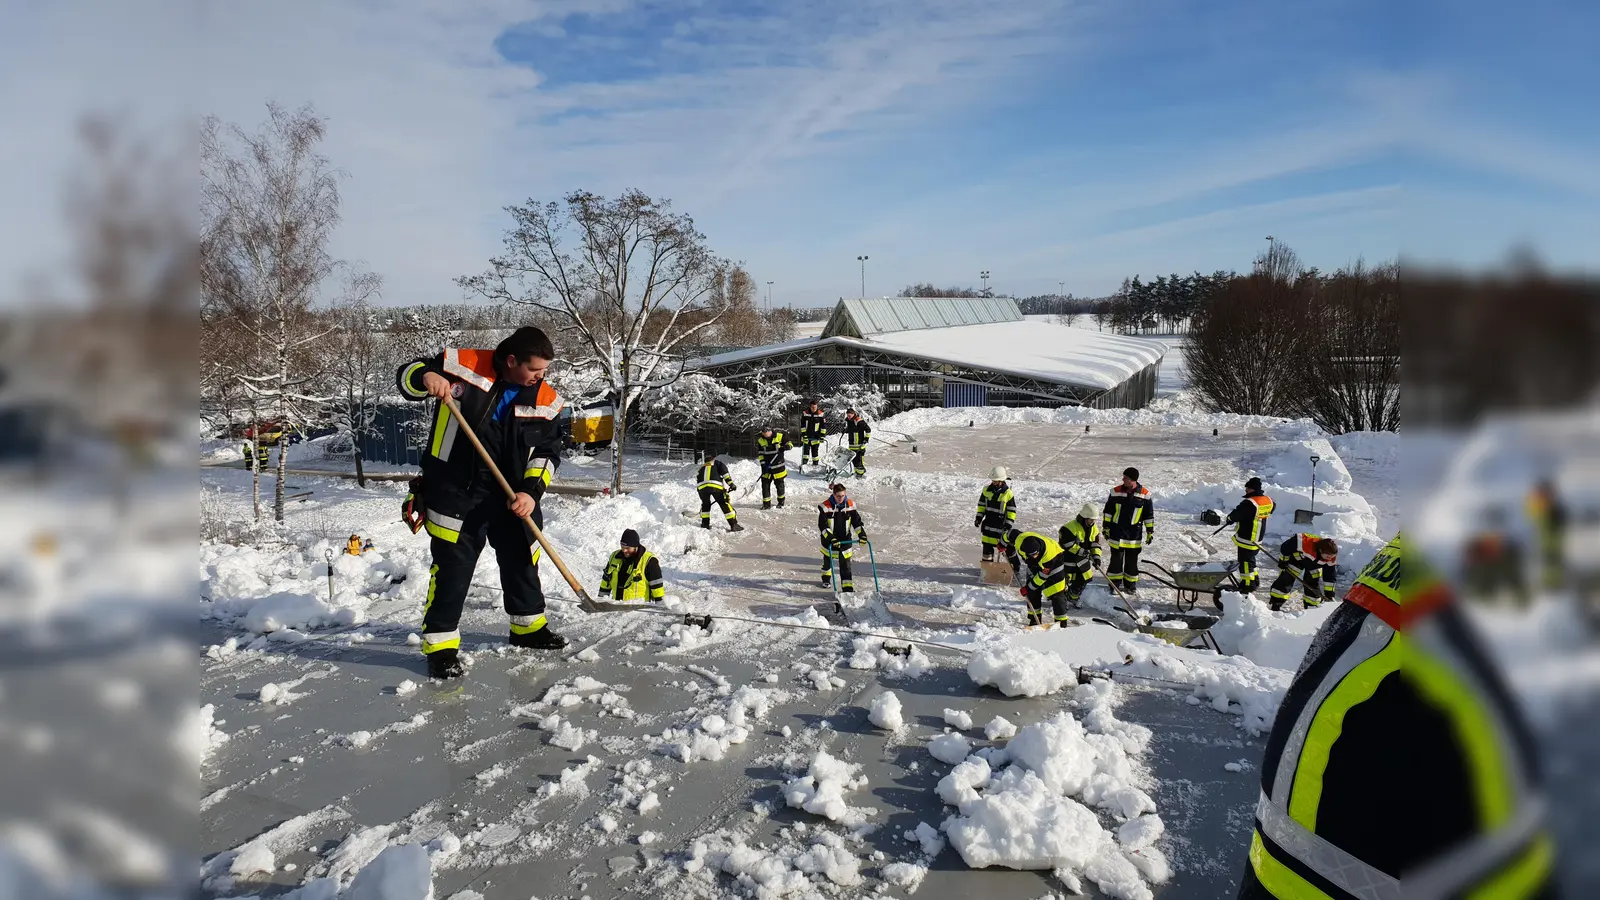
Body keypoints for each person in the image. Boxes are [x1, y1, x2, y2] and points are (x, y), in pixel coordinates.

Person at [1240, 534, 1553, 899]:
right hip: (1350, 792)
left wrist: (1319, 593)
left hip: (1306, 805)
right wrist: (1293, 568)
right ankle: (1263, 595)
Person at [395, 326, 568, 679]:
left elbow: (548, 454)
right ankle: (441, 647)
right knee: (452, 572)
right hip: (456, 492)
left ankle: (528, 629)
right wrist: (426, 375)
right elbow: (406, 377)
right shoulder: (462, 367)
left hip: (511, 497)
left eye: (543, 370)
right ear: (511, 360)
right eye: (535, 369)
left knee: (522, 562)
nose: (541, 376)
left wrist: (530, 494)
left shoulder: (546, 400)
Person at [1102, 467, 1154, 594]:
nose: (1122, 479)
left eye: (1125, 477)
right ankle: (1114, 585)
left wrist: (1149, 531)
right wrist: (1106, 527)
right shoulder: (1116, 492)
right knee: (1116, 561)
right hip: (1117, 533)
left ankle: (1130, 585)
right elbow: (1108, 512)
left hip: (1133, 536)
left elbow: (1148, 515)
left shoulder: (1145, 495)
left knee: (1132, 562)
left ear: (1132, 480)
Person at [1000, 528, 1062, 627]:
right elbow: (1009, 534)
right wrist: (1002, 544)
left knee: (1057, 592)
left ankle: (1061, 622)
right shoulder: (1020, 540)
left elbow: (1042, 577)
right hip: (1034, 565)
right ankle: (1034, 619)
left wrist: (1027, 588)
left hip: (1055, 560)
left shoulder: (1049, 557)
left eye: (1035, 554)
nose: (1034, 556)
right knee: (1032, 593)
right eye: (1031, 555)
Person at [1226, 476, 1275, 594]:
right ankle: (1255, 580)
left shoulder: (1250, 503)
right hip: (1258, 537)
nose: (1246, 490)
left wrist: (1229, 519)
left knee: (1245, 563)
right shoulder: (1268, 500)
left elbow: (1235, 515)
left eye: (1247, 488)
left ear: (1253, 489)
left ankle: (1248, 585)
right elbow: (1271, 508)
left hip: (1247, 537)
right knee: (1251, 559)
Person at [1268, 533, 1338, 611]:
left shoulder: (1330, 557)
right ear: (1320, 550)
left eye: (1332, 557)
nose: (1329, 559)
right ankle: (1276, 604)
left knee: (1312, 585)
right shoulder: (1304, 544)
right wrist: (1284, 560)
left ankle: (1312, 608)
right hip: (1297, 559)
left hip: (1314, 565)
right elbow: (1286, 547)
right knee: (1286, 579)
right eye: (1328, 557)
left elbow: (1330, 576)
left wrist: (1329, 593)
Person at [818, 483, 867, 592]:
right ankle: (826, 578)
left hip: (845, 541)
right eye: (838, 496)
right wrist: (831, 539)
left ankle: (847, 589)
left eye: (843, 496)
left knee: (846, 566)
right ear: (833, 495)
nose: (841, 498)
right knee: (828, 562)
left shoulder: (850, 506)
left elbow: (857, 523)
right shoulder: (825, 507)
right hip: (829, 542)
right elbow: (823, 526)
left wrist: (862, 535)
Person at [598, 529, 665, 604]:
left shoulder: (649, 561)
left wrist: (660, 604)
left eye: (627, 548)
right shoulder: (614, 557)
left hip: (639, 610)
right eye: (622, 547)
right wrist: (601, 600)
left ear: (635, 546)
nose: (624, 550)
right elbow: (606, 581)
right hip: (616, 608)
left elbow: (657, 587)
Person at [1058, 503, 1104, 604]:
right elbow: (1066, 544)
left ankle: (1073, 597)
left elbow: (1095, 544)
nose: (1092, 522)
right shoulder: (1068, 528)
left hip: (1082, 560)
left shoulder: (1094, 528)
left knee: (1083, 578)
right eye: (1090, 520)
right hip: (1068, 560)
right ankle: (1062, 601)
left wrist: (1096, 557)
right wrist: (1083, 552)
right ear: (1084, 517)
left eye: (1094, 520)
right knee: (1064, 582)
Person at [1525, 478, 1567, 589]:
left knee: (1552, 560)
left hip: (1551, 539)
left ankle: (1553, 583)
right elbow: (1535, 517)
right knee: (1549, 561)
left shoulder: (1552, 507)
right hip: (1546, 540)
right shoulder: (1541, 506)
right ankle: (1551, 584)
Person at [975, 466, 1018, 562]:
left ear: (1001, 480)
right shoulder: (986, 490)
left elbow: (1012, 511)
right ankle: (987, 568)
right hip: (988, 525)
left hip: (1001, 526)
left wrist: (1008, 524)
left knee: (1008, 548)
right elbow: (981, 506)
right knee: (987, 548)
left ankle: (1015, 566)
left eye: (996, 480)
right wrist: (979, 517)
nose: (993, 482)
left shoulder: (1008, 493)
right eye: (993, 480)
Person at [695, 449, 744, 532]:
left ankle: (705, 524)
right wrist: (731, 484)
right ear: (714, 458)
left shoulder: (701, 468)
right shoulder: (717, 463)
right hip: (715, 487)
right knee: (724, 504)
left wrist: (701, 492)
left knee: (706, 505)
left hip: (702, 489)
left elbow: (698, 480)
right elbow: (725, 474)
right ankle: (733, 524)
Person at [755, 425, 793, 510]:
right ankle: (766, 504)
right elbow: (760, 454)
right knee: (765, 485)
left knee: (779, 485)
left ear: (770, 431)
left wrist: (786, 447)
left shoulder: (780, 436)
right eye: (764, 433)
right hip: (766, 468)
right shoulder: (761, 440)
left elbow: (789, 444)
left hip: (778, 467)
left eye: (767, 432)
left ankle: (781, 502)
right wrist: (763, 464)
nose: (765, 434)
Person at [799, 400, 828, 468]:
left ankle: (815, 465)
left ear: (817, 406)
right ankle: (804, 465)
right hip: (806, 436)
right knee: (805, 452)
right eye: (812, 407)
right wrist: (804, 435)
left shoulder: (820, 414)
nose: (814, 409)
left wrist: (822, 436)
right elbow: (802, 426)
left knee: (815, 452)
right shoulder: (805, 413)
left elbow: (823, 427)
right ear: (810, 406)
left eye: (815, 407)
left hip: (816, 437)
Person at [844, 409, 872, 478]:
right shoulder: (848, 421)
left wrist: (866, 439)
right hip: (852, 445)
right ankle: (857, 472)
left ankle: (860, 475)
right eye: (848, 415)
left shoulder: (859, 421)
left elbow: (868, 429)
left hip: (859, 446)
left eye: (850, 415)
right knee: (854, 461)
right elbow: (852, 430)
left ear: (854, 414)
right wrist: (846, 430)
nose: (849, 417)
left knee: (859, 462)